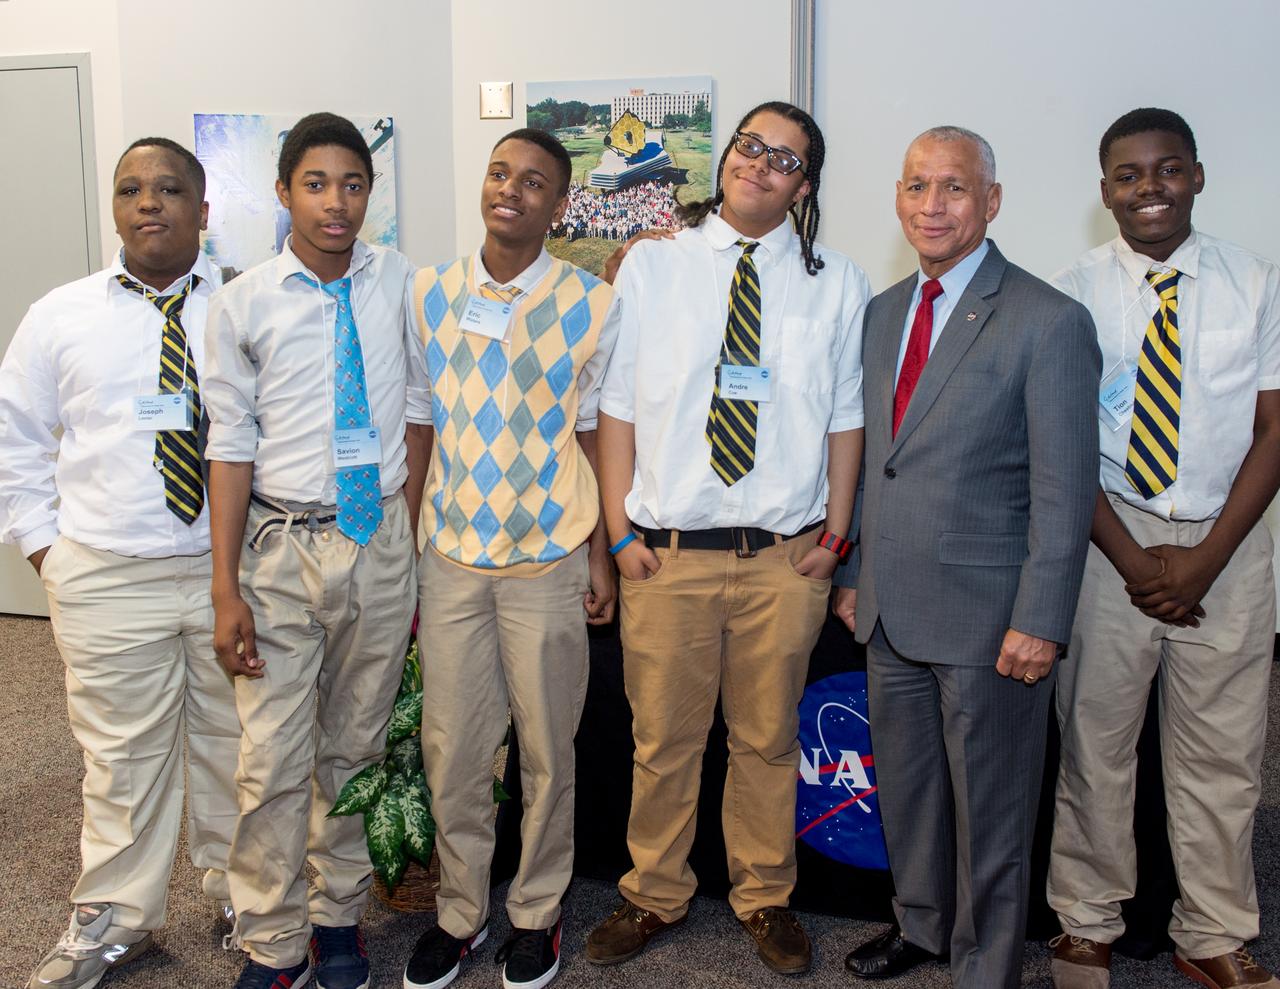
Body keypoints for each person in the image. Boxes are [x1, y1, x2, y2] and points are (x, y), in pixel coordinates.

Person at [585, 101, 869, 977]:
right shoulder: (654, 265)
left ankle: (764, 895)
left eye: (784, 158)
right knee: (663, 741)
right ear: (727, 157)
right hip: (668, 555)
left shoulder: (837, 281)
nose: (759, 163)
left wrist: (837, 535)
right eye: (750, 146)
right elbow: (617, 407)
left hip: (785, 558)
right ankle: (653, 892)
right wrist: (619, 534)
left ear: (804, 186)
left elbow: (847, 415)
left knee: (768, 740)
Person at [836, 126, 1100, 989]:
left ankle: (986, 964)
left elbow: (1065, 490)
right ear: (898, 198)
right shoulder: (883, 313)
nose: (933, 205)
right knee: (909, 791)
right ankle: (921, 925)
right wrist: (854, 574)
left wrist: (1041, 619)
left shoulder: (1048, 321)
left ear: (991, 201)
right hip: (889, 607)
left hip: (992, 621)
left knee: (991, 808)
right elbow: (878, 461)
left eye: (954, 187)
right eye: (917, 186)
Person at [0, 137, 241, 989]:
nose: (149, 203)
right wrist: (49, 554)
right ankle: (116, 915)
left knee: (238, 745)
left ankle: (245, 896)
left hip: (229, 574)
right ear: (114, 208)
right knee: (121, 759)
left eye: (168, 189)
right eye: (131, 189)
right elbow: (16, 442)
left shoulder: (246, 309)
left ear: (201, 210)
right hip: (106, 575)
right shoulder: (59, 316)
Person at [1047, 108, 1280, 989]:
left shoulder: (1256, 283)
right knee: (1094, 744)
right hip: (1109, 540)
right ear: (1105, 190)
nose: (1150, 187)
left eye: (1168, 168)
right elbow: (1063, 441)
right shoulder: (1071, 294)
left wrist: (1205, 557)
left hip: (1230, 543)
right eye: (1129, 174)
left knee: (1223, 753)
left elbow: (1274, 429)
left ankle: (1213, 930)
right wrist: (1137, 559)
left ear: (1198, 175)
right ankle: (1086, 921)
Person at [203, 112, 431, 989]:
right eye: (316, 184)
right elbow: (230, 446)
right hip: (280, 547)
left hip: (378, 540)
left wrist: (409, 530)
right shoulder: (244, 302)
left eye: (353, 184)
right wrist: (225, 586)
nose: (337, 202)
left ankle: (338, 916)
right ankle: (272, 938)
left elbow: (420, 411)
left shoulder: (400, 281)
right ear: (283, 191)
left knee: (355, 747)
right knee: (269, 757)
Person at [401, 127, 618, 989]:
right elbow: (419, 418)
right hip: (452, 554)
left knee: (548, 751)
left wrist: (601, 554)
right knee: (453, 752)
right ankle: (460, 912)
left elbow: (595, 432)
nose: (510, 190)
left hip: (548, 556)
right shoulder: (430, 292)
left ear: (558, 205)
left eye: (533, 182)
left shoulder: (592, 303)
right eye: (499, 173)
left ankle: (537, 909)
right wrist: (408, 542)